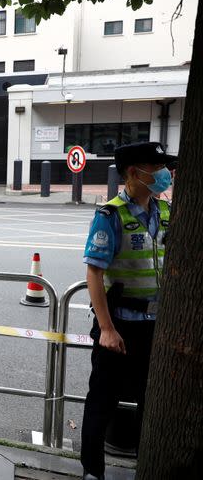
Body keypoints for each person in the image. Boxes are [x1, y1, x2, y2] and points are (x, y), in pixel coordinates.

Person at [80, 142, 176, 480]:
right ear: (135, 173)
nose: (166, 174)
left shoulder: (166, 211)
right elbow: (94, 272)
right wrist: (106, 328)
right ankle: (93, 472)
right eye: (158, 167)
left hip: (156, 327)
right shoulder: (111, 214)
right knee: (102, 402)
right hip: (119, 326)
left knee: (153, 400)